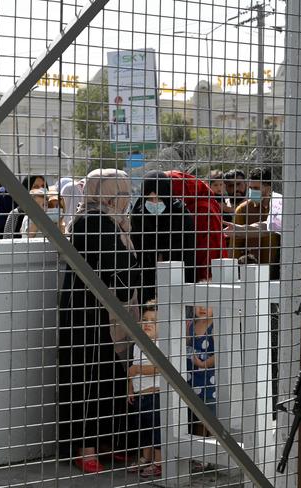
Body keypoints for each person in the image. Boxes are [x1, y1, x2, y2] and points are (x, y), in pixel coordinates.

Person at [58, 168, 139, 474]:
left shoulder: (110, 220)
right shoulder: (94, 220)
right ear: (107, 192)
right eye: (122, 191)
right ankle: (85, 447)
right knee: (87, 376)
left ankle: (106, 442)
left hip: (102, 308)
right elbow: (121, 263)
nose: (127, 198)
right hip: (87, 309)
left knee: (110, 375)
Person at [131, 171, 196, 303]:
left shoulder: (181, 215)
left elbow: (189, 254)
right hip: (146, 283)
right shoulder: (138, 216)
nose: (154, 203)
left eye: (159, 198)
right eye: (149, 199)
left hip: (177, 281)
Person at [166, 171, 228, 281]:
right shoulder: (191, 205)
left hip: (205, 274)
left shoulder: (202, 209)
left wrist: (204, 279)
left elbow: (208, 249)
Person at [126, 300, 162, 478]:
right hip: (140, 396)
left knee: (156, 430)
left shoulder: (160, 345)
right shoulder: (137, 345)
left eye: (154, 321)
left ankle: (159, 461)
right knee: (144, 430)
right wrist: (130, 389)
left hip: (154, 395)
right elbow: (131, 370)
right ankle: (145, 457)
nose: (148, 324)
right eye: (145, 320)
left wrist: (138, 370)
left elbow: (158, 367)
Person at [231, 167, 281, 279]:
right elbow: (235, 246)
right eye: (250, 188)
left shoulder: (279, 208)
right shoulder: (243, 210)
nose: (252, 191)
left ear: (268, 189)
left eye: (256, 188)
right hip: (249, 273)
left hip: (276, 272)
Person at [186, 300, 216, 472]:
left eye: (208, 303)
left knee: (209, 417)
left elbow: (220, 353)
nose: (203, 308)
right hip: (192, 378)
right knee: (197, 415)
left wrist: (205, 364)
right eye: (199, 304)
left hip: (207, 379)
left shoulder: (214, 326)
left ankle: (210, 455)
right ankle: (199, 454)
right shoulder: (192, 324)